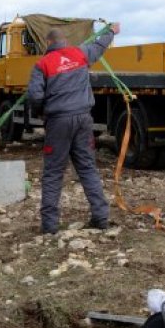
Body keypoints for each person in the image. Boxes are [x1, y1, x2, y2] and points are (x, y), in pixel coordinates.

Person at [28, 21, 120, 235]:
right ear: (65, 42)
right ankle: (101, 217)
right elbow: (99, 46)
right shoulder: (80, 54)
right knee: (87, 168)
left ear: (48, 43)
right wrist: (112, 31)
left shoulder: (42, 65)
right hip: (83, 120)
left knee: (53, 173)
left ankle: (50, 226)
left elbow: (34, 96)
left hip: (58, 121)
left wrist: (42, 111)